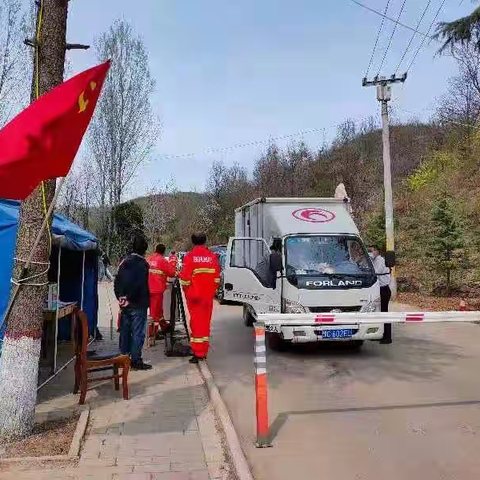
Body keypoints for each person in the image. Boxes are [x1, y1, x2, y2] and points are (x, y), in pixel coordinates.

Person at [179, 233, 221, 363]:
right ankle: (204, 350)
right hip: (207, 297)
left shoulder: (190, 257)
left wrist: (188, 292)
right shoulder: (212, 257)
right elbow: (217, 278)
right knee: (205, 323)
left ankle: (198, 353)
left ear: (193, 242)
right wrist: (211, 291)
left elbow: (185, 279)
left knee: (196, 324)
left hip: (195, 297)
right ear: (205, 241)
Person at [114, 235, 152, 370]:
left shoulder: (124, 262)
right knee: (138, 333)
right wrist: (129, 297)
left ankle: (123, 357)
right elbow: (140, 285)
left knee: (125, 331)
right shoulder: (143, 265)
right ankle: (135, 360)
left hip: (125, 304)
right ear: (144, 250)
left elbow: (117, 281)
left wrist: (121, 297)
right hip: (138, 304)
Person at [147, 243, 176, 339]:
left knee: (157, 311)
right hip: (157, 289)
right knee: (155, 313)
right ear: (163, 252)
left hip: (148, 288)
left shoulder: (149, 258)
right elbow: (171, 273)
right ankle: (152, 334)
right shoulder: (162, 260)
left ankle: (164, 327)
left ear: (155, 250)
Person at [369, 245, 392, 344]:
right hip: (378, 289)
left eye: (372, 250)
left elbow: (375, 272)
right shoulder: (374, 260)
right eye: (369, 251)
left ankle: (387, 336)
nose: (371, 252)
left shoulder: (380, 260)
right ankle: (380, 333)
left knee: (384, 313)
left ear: (377, 251)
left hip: (384, 289)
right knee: (378, 313)